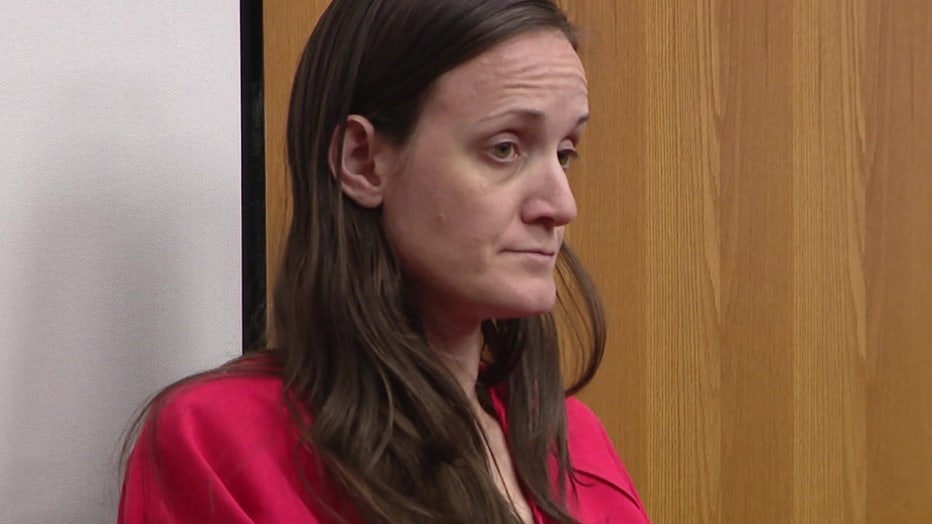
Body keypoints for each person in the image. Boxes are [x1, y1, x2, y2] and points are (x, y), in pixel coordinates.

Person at [118, 0, 650, 522]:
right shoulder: (219, 443)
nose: (561, 206)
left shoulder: (576, 444)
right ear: (363, 161)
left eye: (564, 153)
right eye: (505, 148)